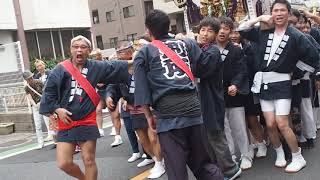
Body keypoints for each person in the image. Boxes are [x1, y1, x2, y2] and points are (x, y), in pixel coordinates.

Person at [134, 10, 223, 180]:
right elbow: (203, 68)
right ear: (169, 27)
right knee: (203, 163)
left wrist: (148, 117)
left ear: (148, 31)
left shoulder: (144, 53)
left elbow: (142, 90)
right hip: (194, 110)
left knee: (177, 169)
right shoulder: (187, 44)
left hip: (168, 116)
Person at [238, 0, 320, 173]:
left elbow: (314, 57)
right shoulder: (263, 32)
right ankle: (279, 153)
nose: (279, 13)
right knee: (269, 125)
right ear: (272, 13)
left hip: (283, 83)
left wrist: (296, 71)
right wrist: (258, 18)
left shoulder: (297, 35)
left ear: (289, 13)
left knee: (282, 123)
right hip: (263, 84)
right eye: (276, 10)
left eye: (283, 10)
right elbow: (242, 30)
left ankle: (298, 156)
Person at [39, 35, 132, 180]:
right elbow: (49, 94)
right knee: (64, 163)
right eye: (76, 47)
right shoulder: (60, 69)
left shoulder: (96, 66)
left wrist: (137, 60)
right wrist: (57, 110)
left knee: (88, 159)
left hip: (86, 119)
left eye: (83, 47)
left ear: (88, 50)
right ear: (70, 50)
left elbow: (116, 66)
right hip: (66, 120)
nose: (79, 50)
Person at [194, 16, 242, 179]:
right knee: (209, 137)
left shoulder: (212, 51)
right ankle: (220, 169)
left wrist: (193, 48)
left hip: (212, 100)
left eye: (210, 31)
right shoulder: (205, 49)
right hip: (205, 100)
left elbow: (201, 70)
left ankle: (231, 169)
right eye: (202, 30)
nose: (205, 34)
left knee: (216, 136)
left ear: (215, 34)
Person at [229, 27, 268, 158]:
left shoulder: (248, 48)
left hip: (249, 88)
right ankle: (249, 146)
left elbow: (254, 66)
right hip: (234, 89)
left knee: (252, 118)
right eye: (231, 33)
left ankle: (261, 142)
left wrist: (240, 53)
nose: (233, 35)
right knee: (241, 120)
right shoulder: (226, 49)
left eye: (236, 32)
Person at [23, 70, 48, 149]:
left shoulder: (39, 82)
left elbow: (45, 92)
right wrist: (35, 105)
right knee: (38, 125)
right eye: (28, 79)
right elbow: (29, 98)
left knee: (48, 122)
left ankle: (54, 139)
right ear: (26, 80)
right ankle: (40, 142)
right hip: (35, 106)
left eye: (31, 77)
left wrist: (42, 102)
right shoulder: (27, 87)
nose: (30, 79)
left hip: (43, 103)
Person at [33, 59, 55, 142]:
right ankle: (50, 133)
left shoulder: (49, 73)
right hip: (41, 98)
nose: (39, 67)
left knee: (50, 115)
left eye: (40, 65)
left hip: (49, 96)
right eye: (37, 66)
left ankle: (53, 133)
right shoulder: (36, 76)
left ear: (44, 65)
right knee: (46, 116)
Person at [90, 48, 106, 137]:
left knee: (113, 112)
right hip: (99, 91)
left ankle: (116, 131)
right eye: (92, 57)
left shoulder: (105, 64)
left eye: (94, 56)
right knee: (98, 110)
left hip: (109, 89)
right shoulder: (92, 67)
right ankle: (100, 129)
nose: (93, 58)